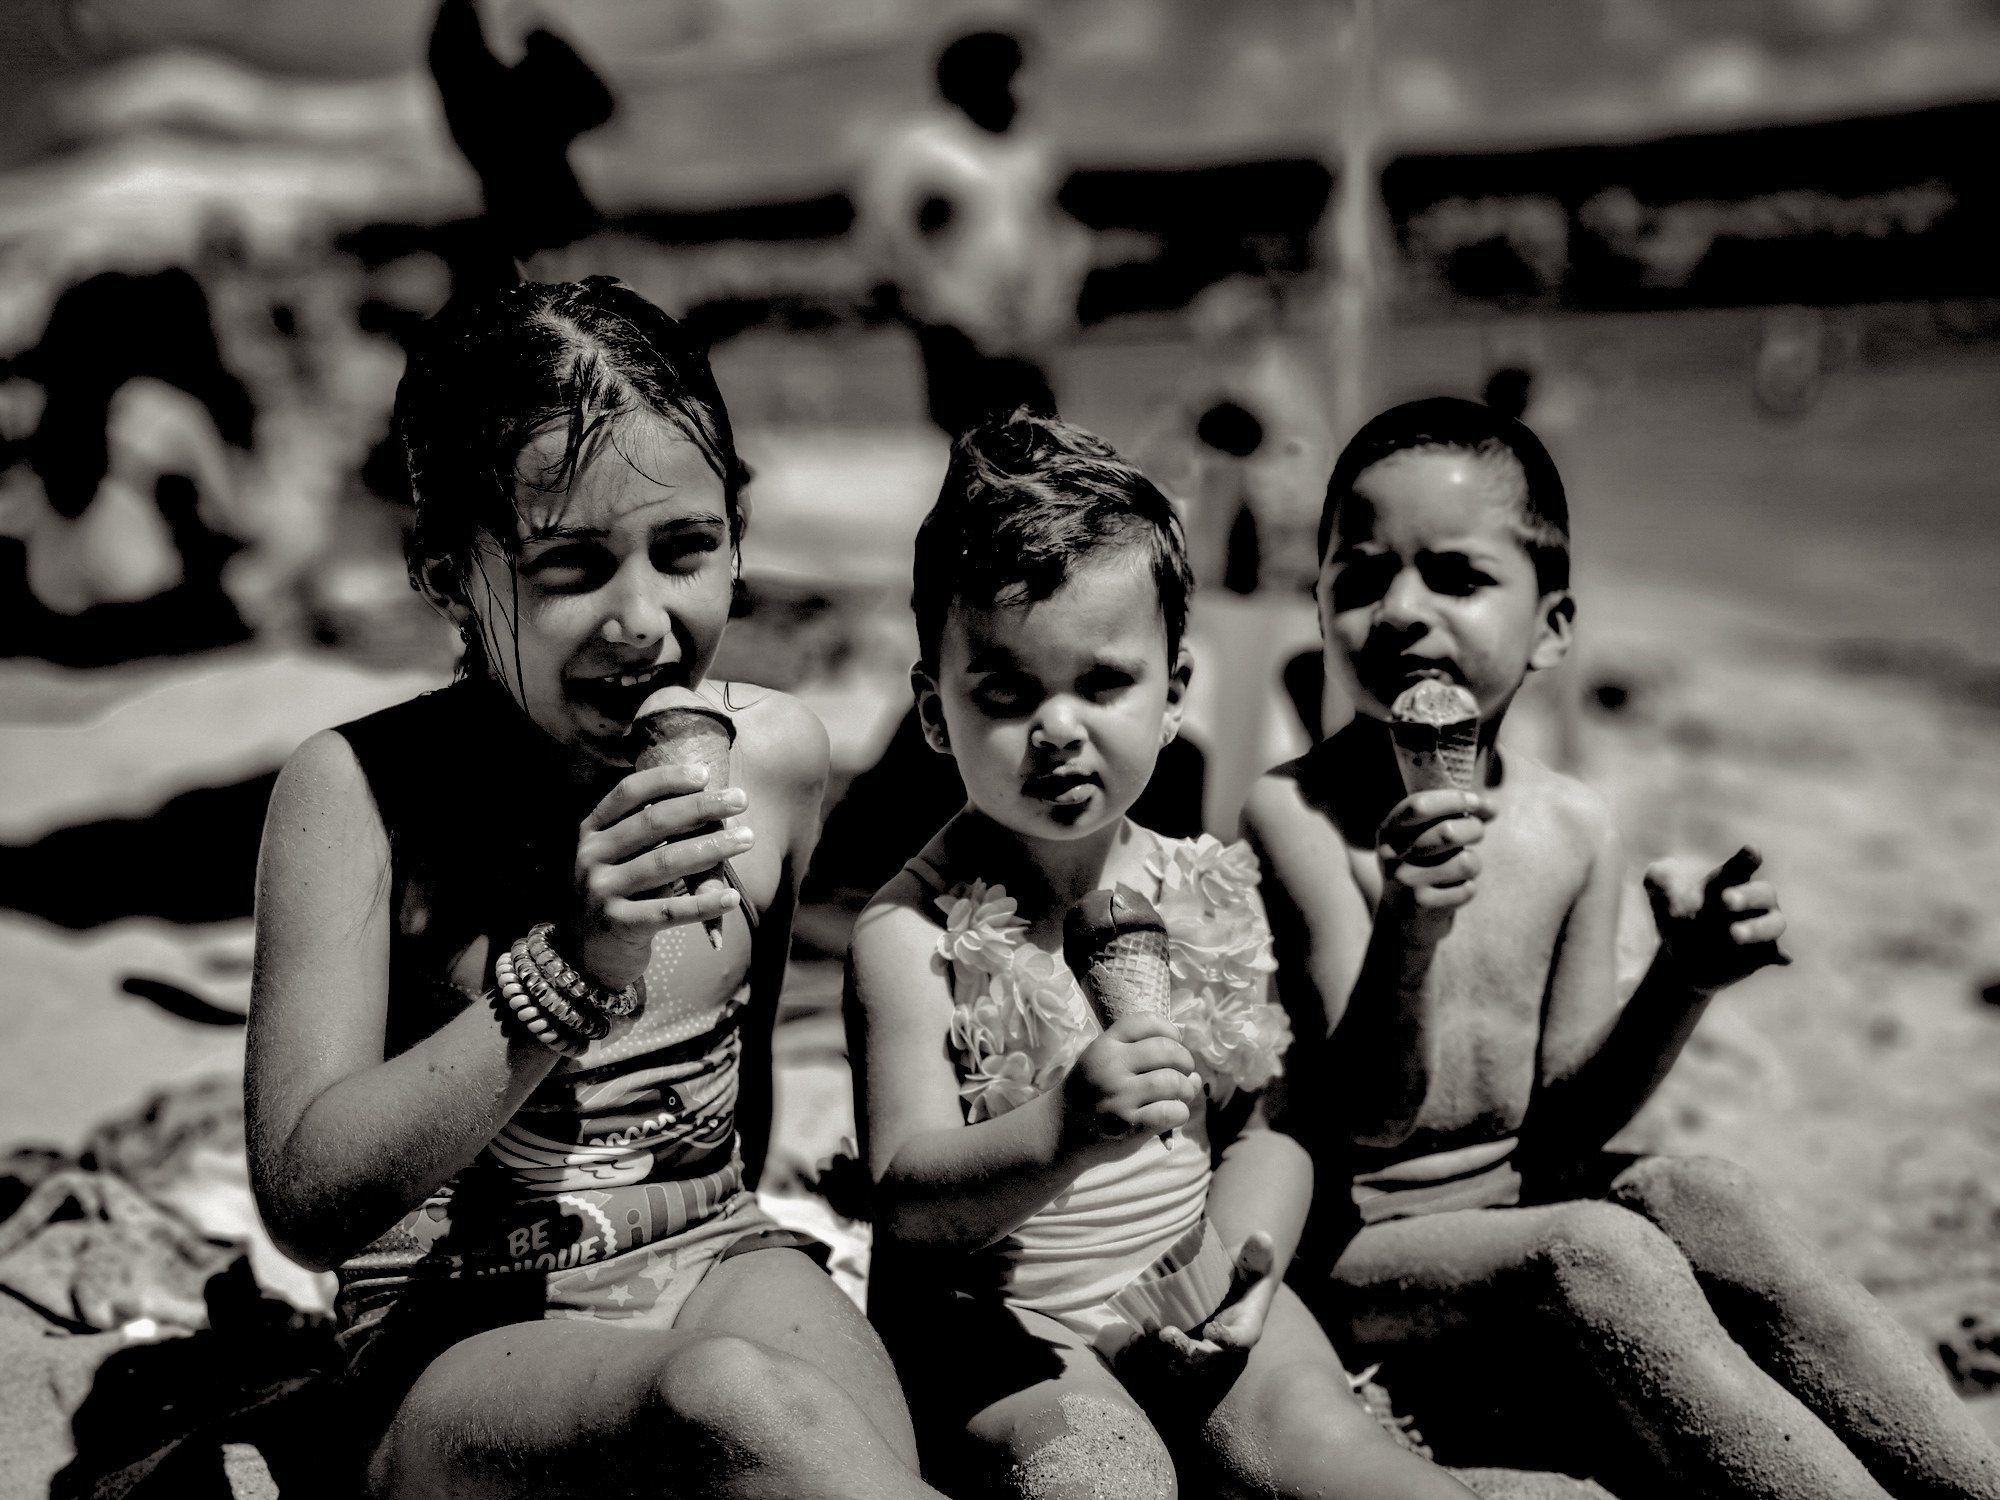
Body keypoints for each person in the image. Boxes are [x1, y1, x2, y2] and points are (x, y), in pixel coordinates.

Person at [245, 278, 942, 1500]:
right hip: (447, 1329)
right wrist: (562, 974)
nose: (639, 621)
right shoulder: (357, 794)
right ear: (448, 573)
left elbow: (742, 1116)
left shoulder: (773, 759)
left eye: (685, 550)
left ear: (739, 527)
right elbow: (305, 1200)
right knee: (726, 1401)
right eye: (568, 566)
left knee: (821, 1422)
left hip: (711, 1242)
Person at [1244, 397, 2000, 1499]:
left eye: (1454, 576)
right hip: (1363, 1253)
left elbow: (1567, 1115)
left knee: (1706, 1192)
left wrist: (1681, 981)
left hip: (1518, 1195)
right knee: (1593, 1251)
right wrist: (1409, 930)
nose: (1400, 610)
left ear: (1551, 628)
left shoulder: (1570, 826)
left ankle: (1964, 1480)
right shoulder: (1296, 816)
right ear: (1317, 609)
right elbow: (1364, 1119)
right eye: (1358, 579)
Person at [848, 409, 1475, 1499]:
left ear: (1175, 689)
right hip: (1002, 1327)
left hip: (1187, 1271)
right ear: (934, 715)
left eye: (1101, 684)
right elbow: (907, 1198)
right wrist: (1061, 1129)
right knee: (1107, 1477)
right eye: (1005, 694)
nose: (1056, 729)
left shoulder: (1205, 889)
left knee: (1345, 1460)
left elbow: (1266, 1126)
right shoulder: (907, 934)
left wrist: (1248, 1269)